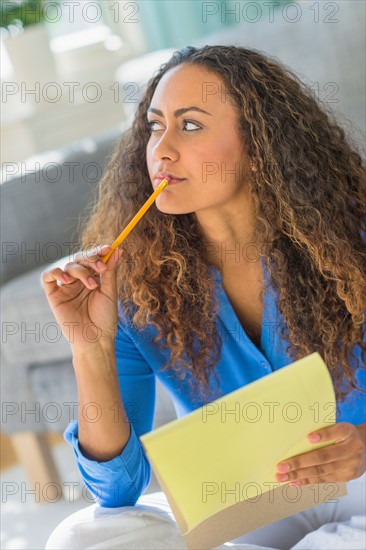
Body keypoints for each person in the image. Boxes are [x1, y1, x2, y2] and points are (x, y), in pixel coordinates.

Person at [43, 45, 366, 549]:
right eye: (154, 126)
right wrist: (90, 346)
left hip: (362, 487)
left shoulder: (351, 245)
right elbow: (118, 490)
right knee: (82, 538)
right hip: (248, 504)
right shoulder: (134, 285)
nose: (161, 150)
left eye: (190, 125)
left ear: (260, 146)